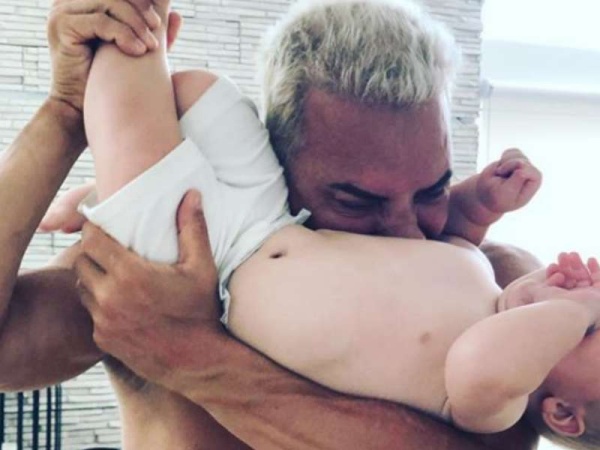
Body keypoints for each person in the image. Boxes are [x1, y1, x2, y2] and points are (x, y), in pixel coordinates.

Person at [0, 0, 541, 449]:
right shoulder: (166, 263)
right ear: (273, 161)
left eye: (431, 192)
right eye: (355, 201)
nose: (408, 233)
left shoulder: (500, 291)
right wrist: (64, 114)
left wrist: (197, 357)